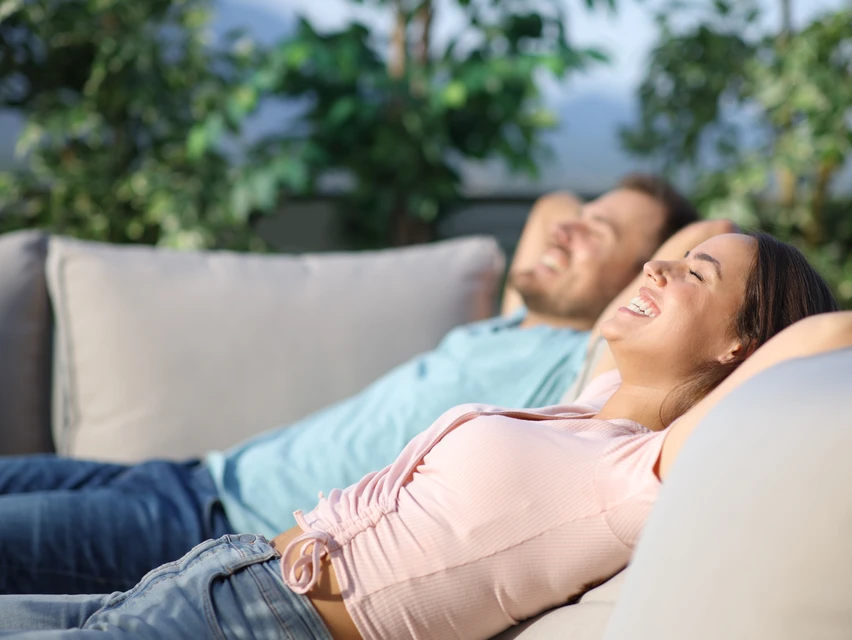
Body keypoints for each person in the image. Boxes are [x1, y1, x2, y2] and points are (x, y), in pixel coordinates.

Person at [0, 231, 852, 639]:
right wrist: (694, 275)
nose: (655, 264)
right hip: (217, 572)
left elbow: (848, 331)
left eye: (693, 272)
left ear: (744, 345)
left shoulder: (640, 471)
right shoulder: (592, 403)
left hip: (259, 624)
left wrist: (755, 338)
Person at [0, 174, 714, 596]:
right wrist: (594, 225)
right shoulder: (514, 324)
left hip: (214, 531)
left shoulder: (576, 365)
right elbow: (549, 209)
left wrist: (651, 265)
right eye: (583, 216)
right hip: (188, 478)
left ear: (643, 278)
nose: (566, 229)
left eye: (600, 233)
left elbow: (709, 234)